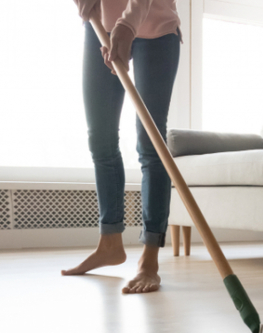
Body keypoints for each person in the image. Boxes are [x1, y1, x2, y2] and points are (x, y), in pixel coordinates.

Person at [62, 0, 181, 294]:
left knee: (151, 142)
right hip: (101, 24)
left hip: (155, 27)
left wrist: (127, 24)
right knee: (100, 138)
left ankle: (149, 259)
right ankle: (110, 243)